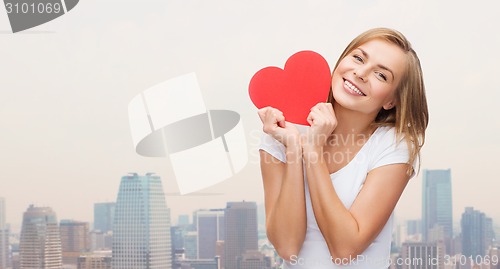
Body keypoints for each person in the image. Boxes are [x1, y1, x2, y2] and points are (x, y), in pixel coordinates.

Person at [258, 28, 428, 269]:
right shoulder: (282, 129)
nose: (360, 73)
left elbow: (344, 249)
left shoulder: (393, 144)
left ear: (391, 100)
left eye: (381, 75)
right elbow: (287, 247)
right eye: (358, 58)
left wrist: (314, 150)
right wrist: (294, 150)